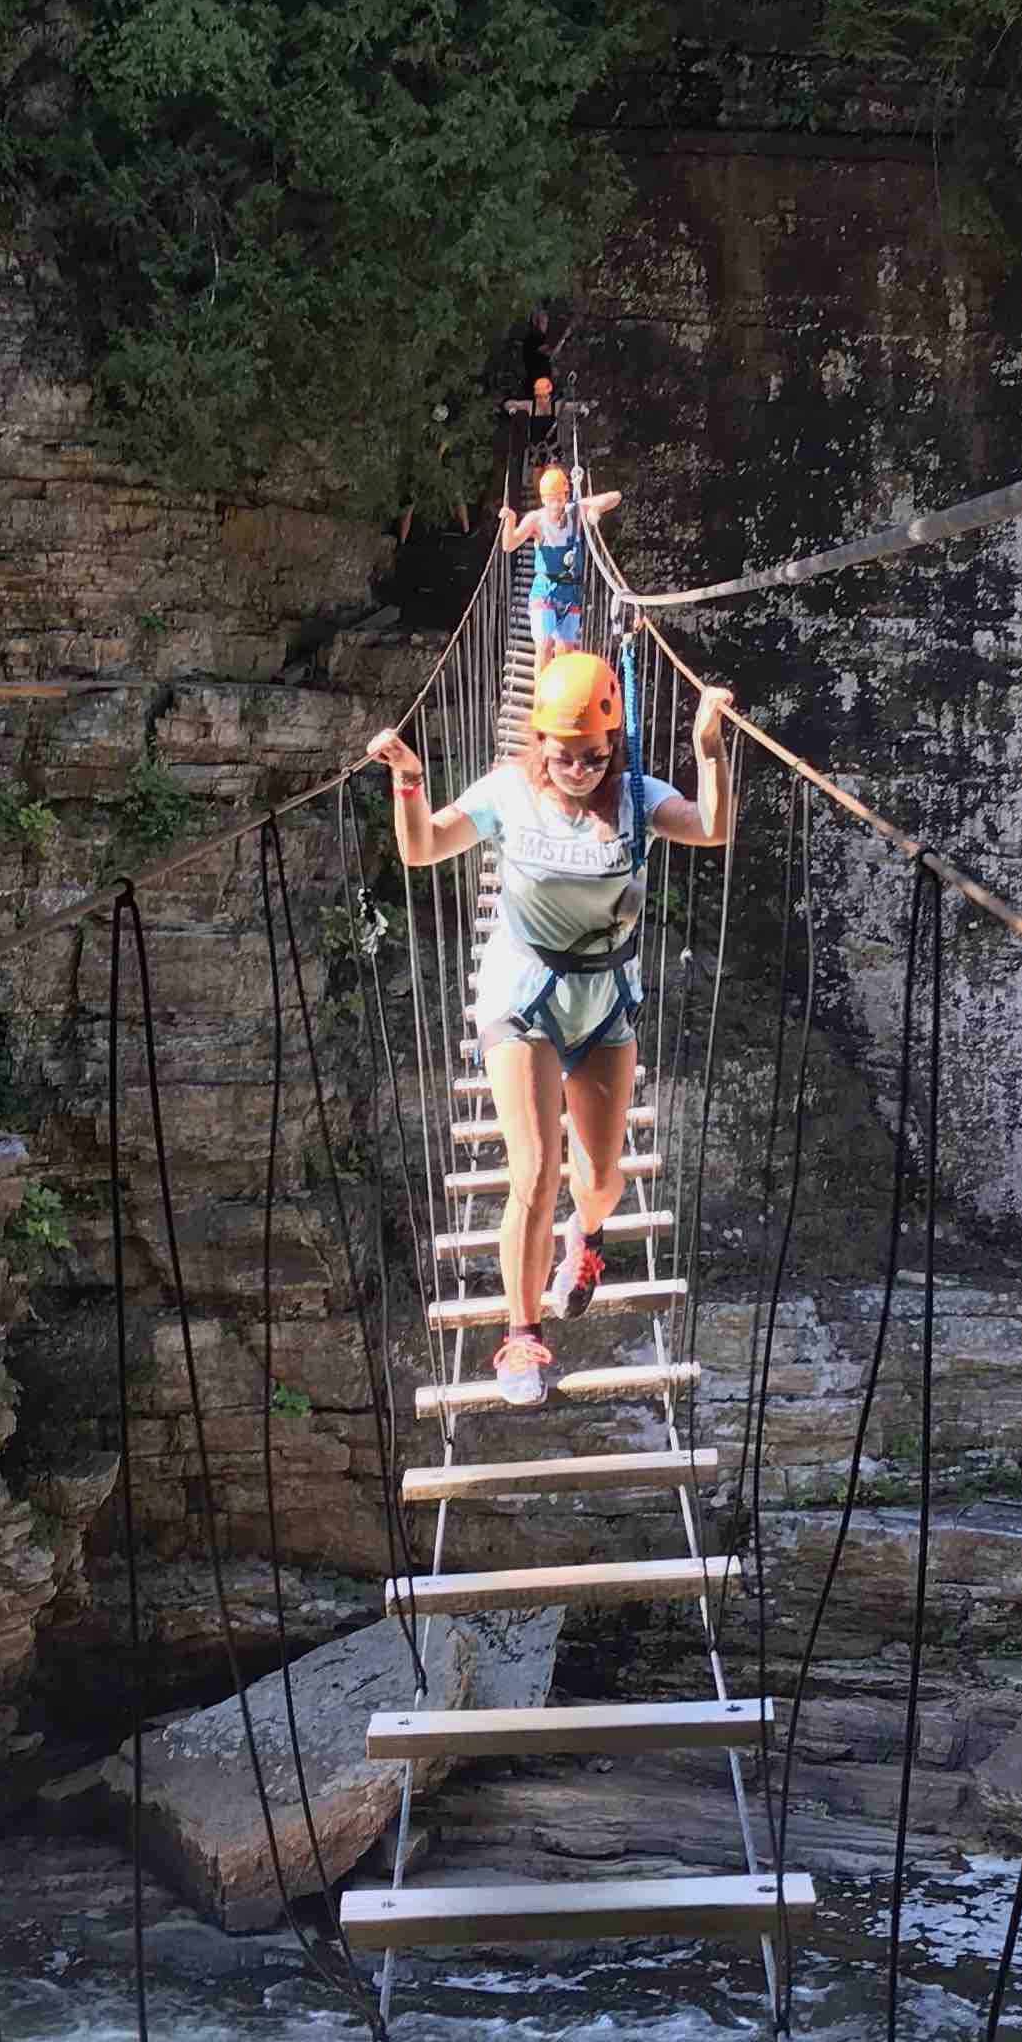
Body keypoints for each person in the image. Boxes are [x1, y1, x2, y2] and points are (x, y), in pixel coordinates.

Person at [365, 648, 734, 1409]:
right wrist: (408, 777)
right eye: (564, 756)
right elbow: (422, 847)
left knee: (598, 1183)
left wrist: (709, 749)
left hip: (604, 1000)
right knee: (534, 1170)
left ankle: (587, 1239)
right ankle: (521, 1330)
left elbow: (710, 828)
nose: (578, 769)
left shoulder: (637, 796)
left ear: (614, 748)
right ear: (539, 743)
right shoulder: (507, 790)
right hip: (520, 994)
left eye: (594, 756)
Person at [499, 462, 617, 662]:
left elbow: (615, 497)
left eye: (561, 498)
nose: (557, 505)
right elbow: (509, 545)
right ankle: (540, 694)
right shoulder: (536, 520)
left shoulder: (575, 511)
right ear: (544, 499)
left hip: (570, 592)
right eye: (553, 500)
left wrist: (595, 509)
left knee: (564, 657)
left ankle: (558, 692)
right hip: (544, 590)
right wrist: (510, 521)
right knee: (544, 647)